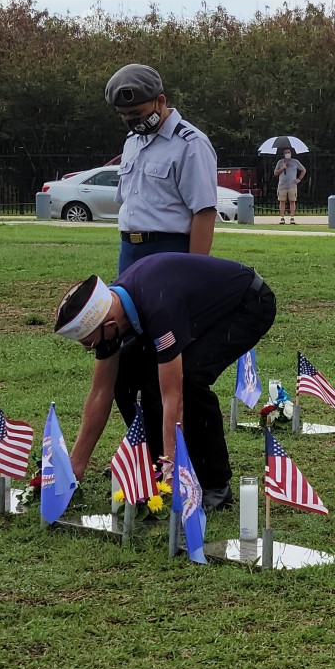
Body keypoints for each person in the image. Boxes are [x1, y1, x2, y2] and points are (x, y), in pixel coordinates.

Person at [54, 254, 277, 508]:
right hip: (189, 307)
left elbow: (174, 396)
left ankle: (214, 484)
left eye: (89, 343)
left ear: (112, 325)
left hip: (248, 305)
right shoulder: (114, 311)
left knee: (191, 378)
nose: (90, 349)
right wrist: (75, 467)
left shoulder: (158, 308)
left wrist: (172, 475)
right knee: (125, 373)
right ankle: (151, 463)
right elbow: (100, 392)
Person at [107, 63, 220, 467]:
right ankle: (147, 455)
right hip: (131, 256)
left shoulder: (191, 144)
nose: (133, 122)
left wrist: (195, 279)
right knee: (125, 369)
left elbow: (203, 213)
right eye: (126, 118)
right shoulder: (135, 142)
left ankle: (207, 474)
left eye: (138, 114)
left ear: (161, 100)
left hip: (171, 256)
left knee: (180, 372)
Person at [274, 148, 307, 224]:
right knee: (282, 201)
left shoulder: (295, 162)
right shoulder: (280, 162)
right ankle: (282, 218)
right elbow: (275, 173)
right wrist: (282, 168)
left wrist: (299, 179)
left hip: (292, 185)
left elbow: (303, 170)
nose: (287, 154)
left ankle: (292, 218)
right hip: (282, 185)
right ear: (284, 154)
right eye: (286, 153)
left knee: (292, 201)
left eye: (289, 152)